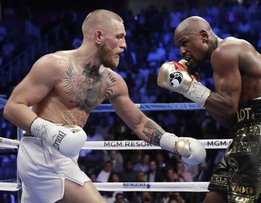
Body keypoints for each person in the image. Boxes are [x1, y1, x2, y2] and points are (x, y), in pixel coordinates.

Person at [3, 10, 206, 203]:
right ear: (99, 36)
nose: (125, 45)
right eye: (119, 37)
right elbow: (13, 107)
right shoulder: (55, 65)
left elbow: (138, 122)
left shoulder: (113, 82)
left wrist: (175, 144)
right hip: (42, 153)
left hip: (66, 155)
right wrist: (53, 133)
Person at [157, 16, 261, 203]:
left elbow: (229, 108)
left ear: (204, 36)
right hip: (248, 129)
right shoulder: (220, 62)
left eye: (184, 43)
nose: (182, 51)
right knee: (215, 198)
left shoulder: (225, 51)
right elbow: (229, 118)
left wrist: (189, 88)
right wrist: (191, 89)